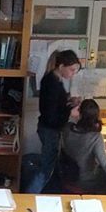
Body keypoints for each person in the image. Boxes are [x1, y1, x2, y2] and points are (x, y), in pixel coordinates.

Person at [28, 50, 82, 193]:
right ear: (61, 66)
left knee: (49, 166)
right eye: (71, 70)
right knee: (46, 170)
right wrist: (70, 112)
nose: (72, 74)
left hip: (48, 128)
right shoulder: (52, 83)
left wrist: (69, 101)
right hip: (49, 130)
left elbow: (54, 106)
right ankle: (28, 198)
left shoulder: (55, 80)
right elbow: (51, 115)